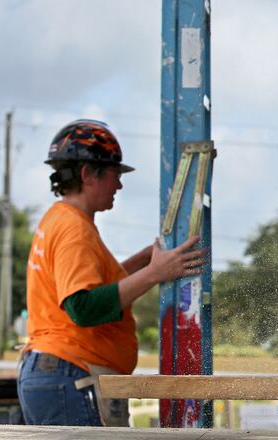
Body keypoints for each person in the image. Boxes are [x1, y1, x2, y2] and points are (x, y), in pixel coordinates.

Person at [19, 119, 206, 426]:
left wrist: (146, 262)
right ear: (88, 174)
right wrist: (154, 274)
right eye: (114, 174)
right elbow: (83, 307)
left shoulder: (60, 220)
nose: (118, 185)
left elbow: (100, 285)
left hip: (58, 371)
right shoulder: (74, 230)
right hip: (71, 371)